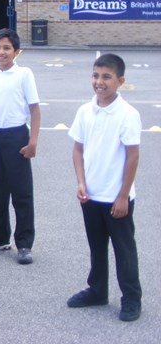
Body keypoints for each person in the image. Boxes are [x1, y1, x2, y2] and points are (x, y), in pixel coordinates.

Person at [67, 53, 142, 322]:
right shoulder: (85, 111)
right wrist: (81, 182)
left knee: (124, 250)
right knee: (97, 247)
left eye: (107, 77)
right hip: (91, 196)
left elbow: (132, 156)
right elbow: (78, 149)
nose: (100, 82)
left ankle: (132, 298)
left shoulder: (127, 114)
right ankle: (97, 290)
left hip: (116, 198)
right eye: (96, 76)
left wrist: (123, 196)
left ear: (120, 81)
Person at [0, 28, 40, 265]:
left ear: (16, 52)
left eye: (6, 48)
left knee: (21, 193)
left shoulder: (24, 74)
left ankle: (24, 243)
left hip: (17, 137)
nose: (1, 52)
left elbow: (34, 109)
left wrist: (32, 142)